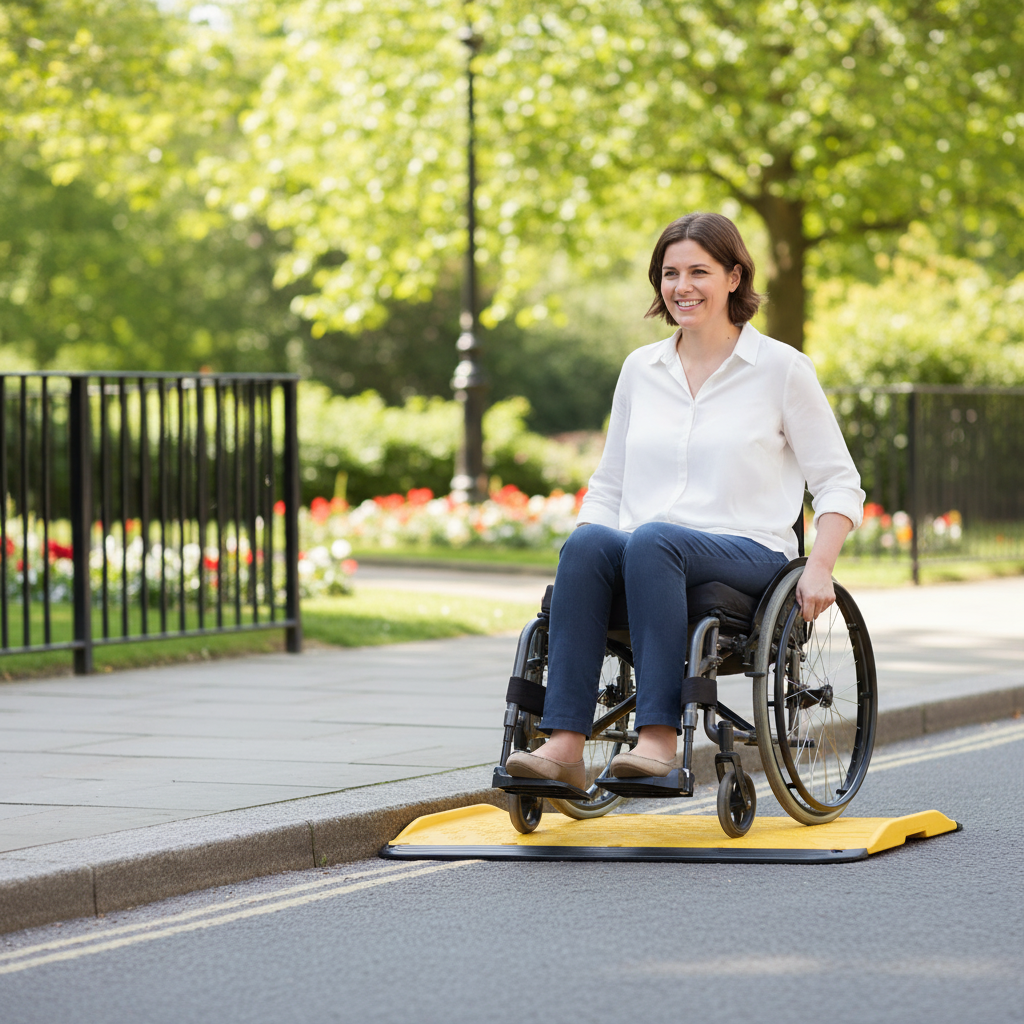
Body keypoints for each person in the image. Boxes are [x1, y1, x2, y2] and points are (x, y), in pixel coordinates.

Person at [505, 212, 865, 789]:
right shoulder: (640, 370)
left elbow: (839, 483)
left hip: (749, 554)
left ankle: (659, 741)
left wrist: (820, 566)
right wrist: (585, 556)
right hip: (653, 555)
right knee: (591, 540)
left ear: (733, 277)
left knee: (653, 538)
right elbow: (609, 485)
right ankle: (565, 744)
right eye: (670, 273)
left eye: (699, 271)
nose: (682, 286)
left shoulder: (781, 369)